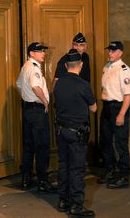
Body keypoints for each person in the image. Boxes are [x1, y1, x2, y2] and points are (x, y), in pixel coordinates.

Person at [54, 49, 97, 217]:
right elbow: (93, 108)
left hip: (61, 131)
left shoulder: (59, 84)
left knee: (63, 165)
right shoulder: (84, 85)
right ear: (81, 65)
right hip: (77, 133)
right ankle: (76, 206)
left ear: (66, 65)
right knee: (77, 169)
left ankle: (63, 201)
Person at [16, 42, 56, 193]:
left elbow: (19, 85)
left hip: (28, 110)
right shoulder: (34, 69)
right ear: (31, 53)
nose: (43, 53)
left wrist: (27, 98)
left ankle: (26, 178)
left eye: (43, 51)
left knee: (29, 146)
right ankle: (42, 181)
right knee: (42, 146)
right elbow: (35, 86)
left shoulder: (25, 66)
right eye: (39, 51)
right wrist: (45, 101)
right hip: (38, 111)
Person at [97, 41, 130, 189]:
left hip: (118, 108)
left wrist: (122, 114)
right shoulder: (107, 66)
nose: (110, 53)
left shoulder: (125, 70)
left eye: (113, 51)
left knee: (120, 143)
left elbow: (128, 94)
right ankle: (110, 169)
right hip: (106, 107)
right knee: (105, 140)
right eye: (109, 51)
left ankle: (124, 175)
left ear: (120, 52)